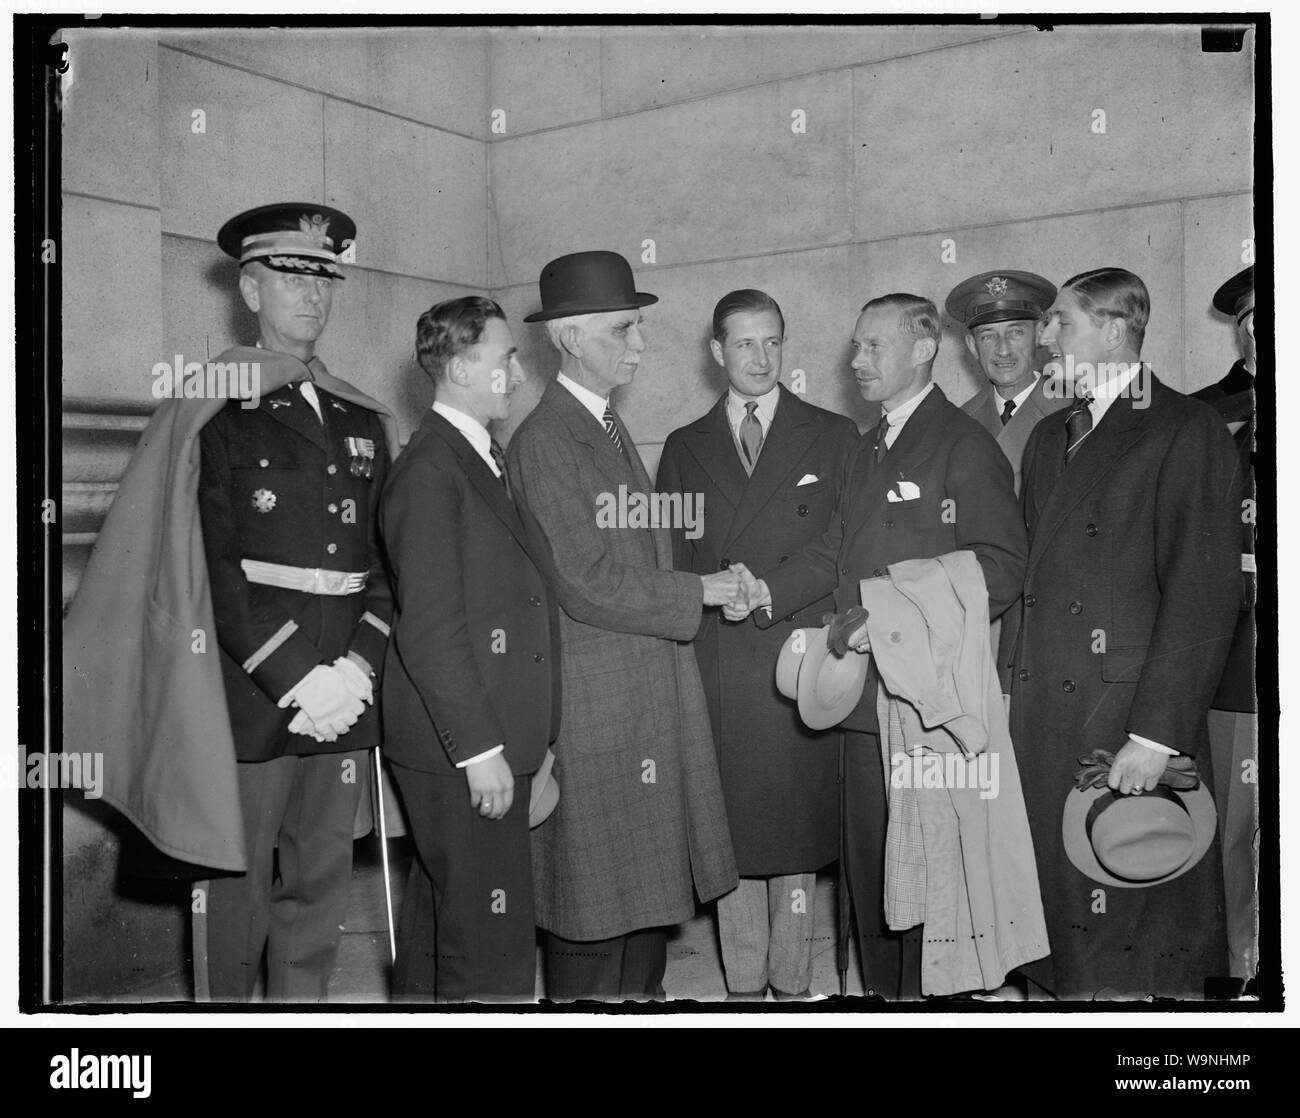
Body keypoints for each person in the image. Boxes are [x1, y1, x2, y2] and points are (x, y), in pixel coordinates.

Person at [65, 202, 399, 1002]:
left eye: (324, 278)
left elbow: (386, 559)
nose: (311, 296)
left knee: (319, 890)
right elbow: (208, 563)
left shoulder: (358, 415)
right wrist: (298, 676)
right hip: (249, 696)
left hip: (345, 698)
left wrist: (357, 666)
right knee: (233, 896)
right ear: (250, 289)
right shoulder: (211, 404)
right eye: (290, 277)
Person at [727, 293, 1028, 999]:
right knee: (874, 886)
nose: (854, 360)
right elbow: (835, 549)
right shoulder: (869, 446)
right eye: (855, 346)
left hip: (926, 711)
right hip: (863, 710)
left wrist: (893, 607)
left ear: (923, 350)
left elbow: (1002, 566)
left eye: (872, 346)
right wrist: (765, 589)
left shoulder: (963, 445)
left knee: (932, 892)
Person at [506, 250, 739, 1001]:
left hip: (639, 695)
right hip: (600, 709)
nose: (639, 346)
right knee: (592, 912)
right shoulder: (546, 440)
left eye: (637, 328)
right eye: (622, 331)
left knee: (643, 908)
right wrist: (699, 591)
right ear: (570, 338)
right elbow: (588, 582)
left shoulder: (601, 426)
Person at [1006, 267, 1241, 999]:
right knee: (1067, 931)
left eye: (1059, 324)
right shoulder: (1049, 436)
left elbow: (1204, 595)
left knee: (1134, 923)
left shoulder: (1184, 428)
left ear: (1115, 330)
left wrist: (1157, 735)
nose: (1044, 342)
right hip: (1047, 711)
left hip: (1125, 716)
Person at [656, 289, 859, 1001]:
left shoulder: (833, 437)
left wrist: (767, 587)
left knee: (796, 834)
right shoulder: (683, 448)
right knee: (729, 833)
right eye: (744, 344)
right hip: (720, 669)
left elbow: (847, 544)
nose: (760, 357)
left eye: (772, 342)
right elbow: (669, 561)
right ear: (717, 352)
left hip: (797, 659)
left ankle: (795, 983)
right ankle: (743, 988)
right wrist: (717, 588)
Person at [380, 296, 559, 1002]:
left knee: (444, 924)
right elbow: (430, 627)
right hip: (459, 746)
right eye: (505, 357)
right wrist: (481, 750)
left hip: (474, 738)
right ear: (458, 367)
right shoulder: (430, 469)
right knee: (491, 948)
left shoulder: (477, 456)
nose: (517, 374)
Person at [1192, 265, 1258, 987]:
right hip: (1240, 666)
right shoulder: (1206, 415)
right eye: (1250, 317)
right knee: (1233, 834)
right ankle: (1241, 974)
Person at [946, 269, 1072, 495]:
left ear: (1039, 335)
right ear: (973, 346)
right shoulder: (958, 422)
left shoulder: (1073, 412)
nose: (1002, 350)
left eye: (1015, 333)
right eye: (987, 336)